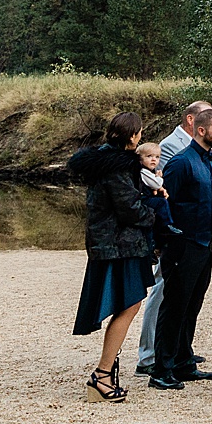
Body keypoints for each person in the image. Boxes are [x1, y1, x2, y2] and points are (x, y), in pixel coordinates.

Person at [70, 113, 162, 402]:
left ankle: (106, 371)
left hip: (111, 244)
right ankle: (102, 374)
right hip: (120, 246)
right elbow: (129, 209)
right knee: (130, 303)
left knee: (128, 303)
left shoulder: (105, 161)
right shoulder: (119, 166)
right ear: (133, 136)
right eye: (139, 134)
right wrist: (157, 209)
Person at [138, 104, 212, 376]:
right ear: (201, 130)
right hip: (181, 245)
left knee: (193, 303)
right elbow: (164, 204)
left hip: (204, 243)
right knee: (175, 305)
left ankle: (183, 362)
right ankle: (161, 369)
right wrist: (163, 242)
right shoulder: (181, 162)